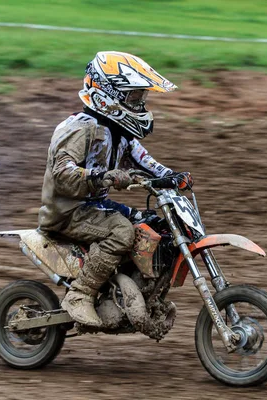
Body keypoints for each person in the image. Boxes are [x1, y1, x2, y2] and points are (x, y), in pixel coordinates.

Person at [38, 51, 191, 327]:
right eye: (134, 98)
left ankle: (136, 293)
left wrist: (173, 177)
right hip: (67, 210)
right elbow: (61, 173)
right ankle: (80, 293)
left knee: (156, 228)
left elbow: (147, 163)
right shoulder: (79, 129)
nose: (140, 104)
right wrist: (102, 177)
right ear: (107, 95)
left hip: (95, 208)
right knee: (122, 231)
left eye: (141, 98)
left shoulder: (118, 133)